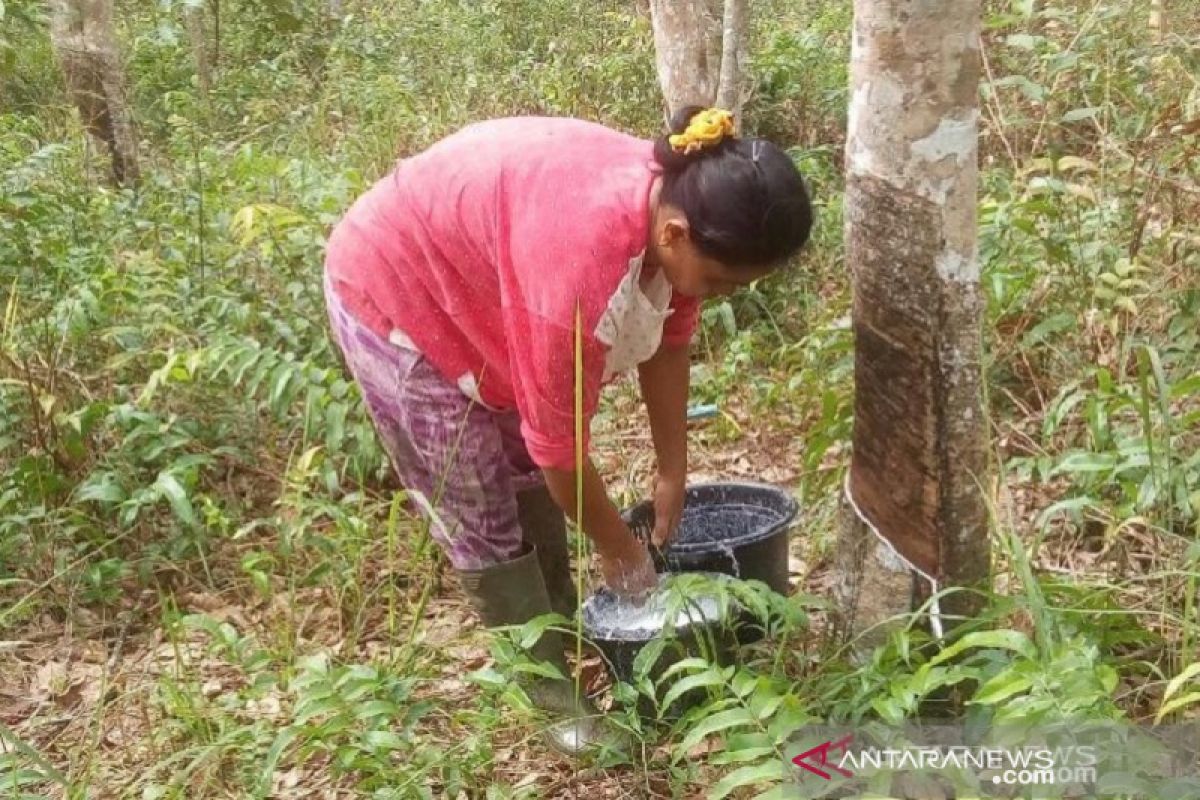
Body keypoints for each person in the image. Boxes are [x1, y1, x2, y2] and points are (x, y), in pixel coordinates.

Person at [323, 106, 813, 755]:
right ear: (673, 235)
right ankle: (553, 699)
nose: (726, 292)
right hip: (397, 296)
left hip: (485, 284)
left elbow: (672, 338)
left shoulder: (683, 207)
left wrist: (673, 472)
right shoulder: (582, 263)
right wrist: (622, 551)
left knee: (522, 471)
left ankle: (559, 622)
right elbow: (558, 450)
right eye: (723, 279)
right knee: (478, 504)